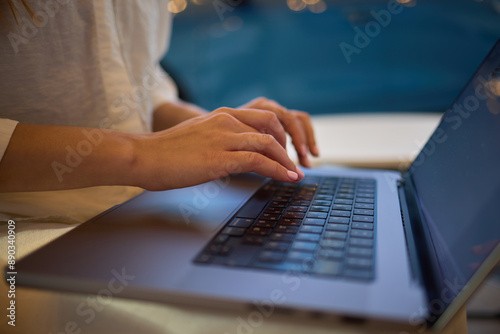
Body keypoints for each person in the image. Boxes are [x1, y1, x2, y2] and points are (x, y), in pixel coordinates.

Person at [0, 1, 318, 223]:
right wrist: (141, 155)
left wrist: (224, 131)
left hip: (134, 209)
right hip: (23, 225)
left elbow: (138, 86)